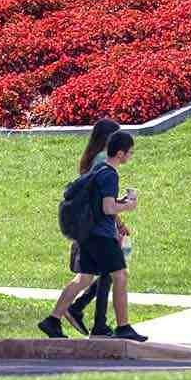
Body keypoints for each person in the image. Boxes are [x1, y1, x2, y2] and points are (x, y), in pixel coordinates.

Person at [39, 130, 147, 341]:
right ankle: (123, 327)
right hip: (101, 236)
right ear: (120, 153)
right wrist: (129, 206)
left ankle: (52, 321)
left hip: (87, 235)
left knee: (84, 278)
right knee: (120, 275)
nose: (130, 156)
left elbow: (102, 204)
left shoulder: (98, 170)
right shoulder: (110, 174)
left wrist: (120, 202)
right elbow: (108, 208)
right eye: (130, 153)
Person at [62, 119, 127, 335]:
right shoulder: (102, 162)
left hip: (91, 225)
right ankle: (94, 321)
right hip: (100, 227)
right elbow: (104, 201)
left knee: (101, 274)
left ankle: (78, 312)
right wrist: (120, 219)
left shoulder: (91, 158)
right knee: (111, 273)